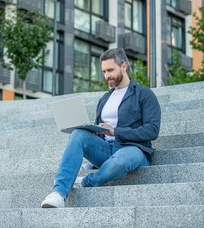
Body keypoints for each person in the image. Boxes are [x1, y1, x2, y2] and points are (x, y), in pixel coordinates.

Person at [41, 48, 161, 208]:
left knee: (119, 162)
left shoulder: (144, 95)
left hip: (133, 149)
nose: (107, 75)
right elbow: (99, 136)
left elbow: (152, 130)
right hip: (106, 150)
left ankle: (86, 181)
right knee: (78, 133)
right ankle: (59, 193)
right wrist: (94, 130)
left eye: (110, 70)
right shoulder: (104, 99)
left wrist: (115, 131)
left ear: (124, 66)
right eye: (104, 71)